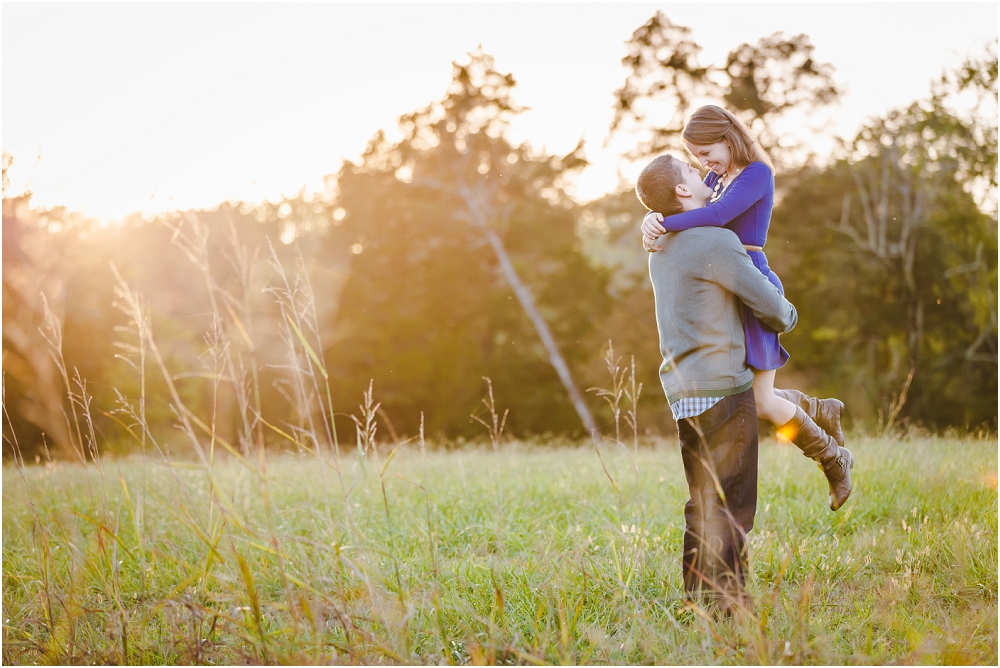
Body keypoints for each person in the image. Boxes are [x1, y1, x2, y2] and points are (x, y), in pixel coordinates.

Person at [639, 106, 854, 512]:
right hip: (726, 285)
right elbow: (683, 201)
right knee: (754, 396)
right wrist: (652, 216)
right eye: (697, 159)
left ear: (727, 135)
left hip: (750, 277)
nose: (704, 164)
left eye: (706, 153)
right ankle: (819, 410)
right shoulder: (716, 178)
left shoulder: (756, 173)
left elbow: (716, 215)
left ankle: (833, 458)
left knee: (760, 402)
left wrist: (663, 224)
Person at [637, 152, 799, 614]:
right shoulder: (713, 241)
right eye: (691, 171)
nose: (703, 173)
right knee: (733, 507)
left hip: (683, 392)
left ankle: (699, 601)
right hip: (724, 390)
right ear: (684, 191)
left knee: (702, 502)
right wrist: (788, 309)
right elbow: (773, 310)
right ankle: (730, 607)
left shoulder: (660, 244)